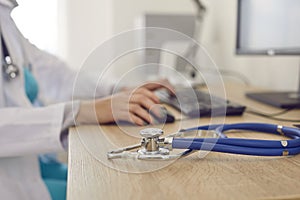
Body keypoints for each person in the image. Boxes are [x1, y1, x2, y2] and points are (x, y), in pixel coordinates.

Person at [0, 1, 174, 200]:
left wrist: (118, 89)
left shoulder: (5, 20)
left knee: (111, 181)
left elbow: (57, 74)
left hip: (33, 164)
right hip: (8, 184)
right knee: (111, 190)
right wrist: (82, 111)